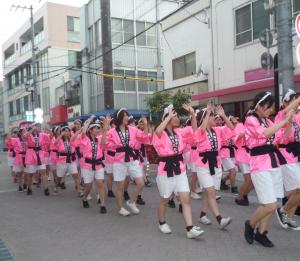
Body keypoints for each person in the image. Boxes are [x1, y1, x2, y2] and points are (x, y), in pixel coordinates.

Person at [244, 91, 293, 247]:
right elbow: (264, 134)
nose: (271, 110)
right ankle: (250, 224)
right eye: (269, 107)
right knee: (269, 204)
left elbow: (282, 138)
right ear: (260, 105)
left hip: (273, 163)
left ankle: (262, 233)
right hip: (259, 165)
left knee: (272, 204)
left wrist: (289, 123)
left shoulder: (269, 121)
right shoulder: (250, 120)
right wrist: (283, 120)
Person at [194, 104, 233, 229]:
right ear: (205, 119)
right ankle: (219, 219)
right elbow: (201, 128)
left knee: (209, 192)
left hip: (216, 163)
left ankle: (202, 215)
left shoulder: (218, 130)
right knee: (210, 191)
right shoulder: (199, 132)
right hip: (203, 165)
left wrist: (223, 115)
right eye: (211, 116)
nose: (215, 119)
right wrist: (207, 113)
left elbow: (232, 128)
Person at [106, 108, 149, 216]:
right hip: (119, 161)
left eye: (127, 115)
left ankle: (131, 201)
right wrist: (104, 129)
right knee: (120, 186)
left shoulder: (133, 129)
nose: (127, 117)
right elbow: (105, 145)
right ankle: (121, 208)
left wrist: (145, 125)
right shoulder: (112, 131)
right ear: (119, 117)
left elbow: (144, 138)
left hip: (132, 158)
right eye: (124, 115)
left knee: (141, 182)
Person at [71, 116, 110, 213]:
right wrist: (89, 121)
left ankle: (103, 205)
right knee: (88, 186)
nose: (97, 130)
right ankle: (84, 198)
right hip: (87, 165)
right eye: (95, 128)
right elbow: (81, 133)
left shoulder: (100, 138)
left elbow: (104, 143)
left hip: (98, 164)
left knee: (100, 184)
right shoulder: (84, 138)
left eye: (98, 128)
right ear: (90, 130)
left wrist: (105, 129)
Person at [274, 89, 300, 230]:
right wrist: (289, 121)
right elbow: (286, 136)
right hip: (285, 154)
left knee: (296, 192)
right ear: (285, 102)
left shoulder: (297, 117)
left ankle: (288, 218)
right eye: (293, 101)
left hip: (296, 154)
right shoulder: (280, 115)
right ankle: (283, 210)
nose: (295, 105)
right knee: (298, 190)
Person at [55, 125, 81, 196]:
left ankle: (79, 190)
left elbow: (75, 136)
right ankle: (56, 187)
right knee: (59, 177)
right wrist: (61, 134)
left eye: (68, 131)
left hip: (71, 160)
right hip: (62, 161)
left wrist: (79, 130)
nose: (67, 132)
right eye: (65, 131)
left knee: (76, 175)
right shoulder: (60, 140)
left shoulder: (71, 139)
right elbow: (55, 142)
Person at [234, 115, 253, 206]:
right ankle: (240, 197)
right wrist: (245, 132)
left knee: (253, 181)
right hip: (242, 154)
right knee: (248, 179)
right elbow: (236, 138)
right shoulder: (240, 125)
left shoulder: (255, 125)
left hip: (251, 155)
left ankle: (244, 194)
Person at [220, 116, 238, 194]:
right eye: (231, 121)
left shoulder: (235, 129)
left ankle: (222, 181)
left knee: (234, 171)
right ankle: (233, 187)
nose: (232, 122)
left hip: (232, 151)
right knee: (233, 170)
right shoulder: (222, 129)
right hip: (225, 152)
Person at [10, 128, 27, 192]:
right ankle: (20, 186)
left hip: (26, 157)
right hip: (19, 157)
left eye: (25, 131)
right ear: (20, 133)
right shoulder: (16, 139)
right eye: (23, 131)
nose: (24, 133)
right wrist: (11, 131)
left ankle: (25, 184)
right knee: (20, 173)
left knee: (26, 172)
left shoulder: (27, 139)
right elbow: (9, 139)